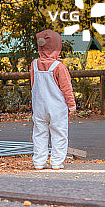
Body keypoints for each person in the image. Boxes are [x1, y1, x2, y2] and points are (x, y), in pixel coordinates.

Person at [29, 29, 76, 169]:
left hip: (39, 106)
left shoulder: (34, 65)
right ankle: (56, 161)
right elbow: (66, 88)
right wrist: (71, 105)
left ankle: (39, 161)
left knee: (39, 133)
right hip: (57, 108)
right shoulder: (59, 67)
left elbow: (33, 85)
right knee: (59, 133)